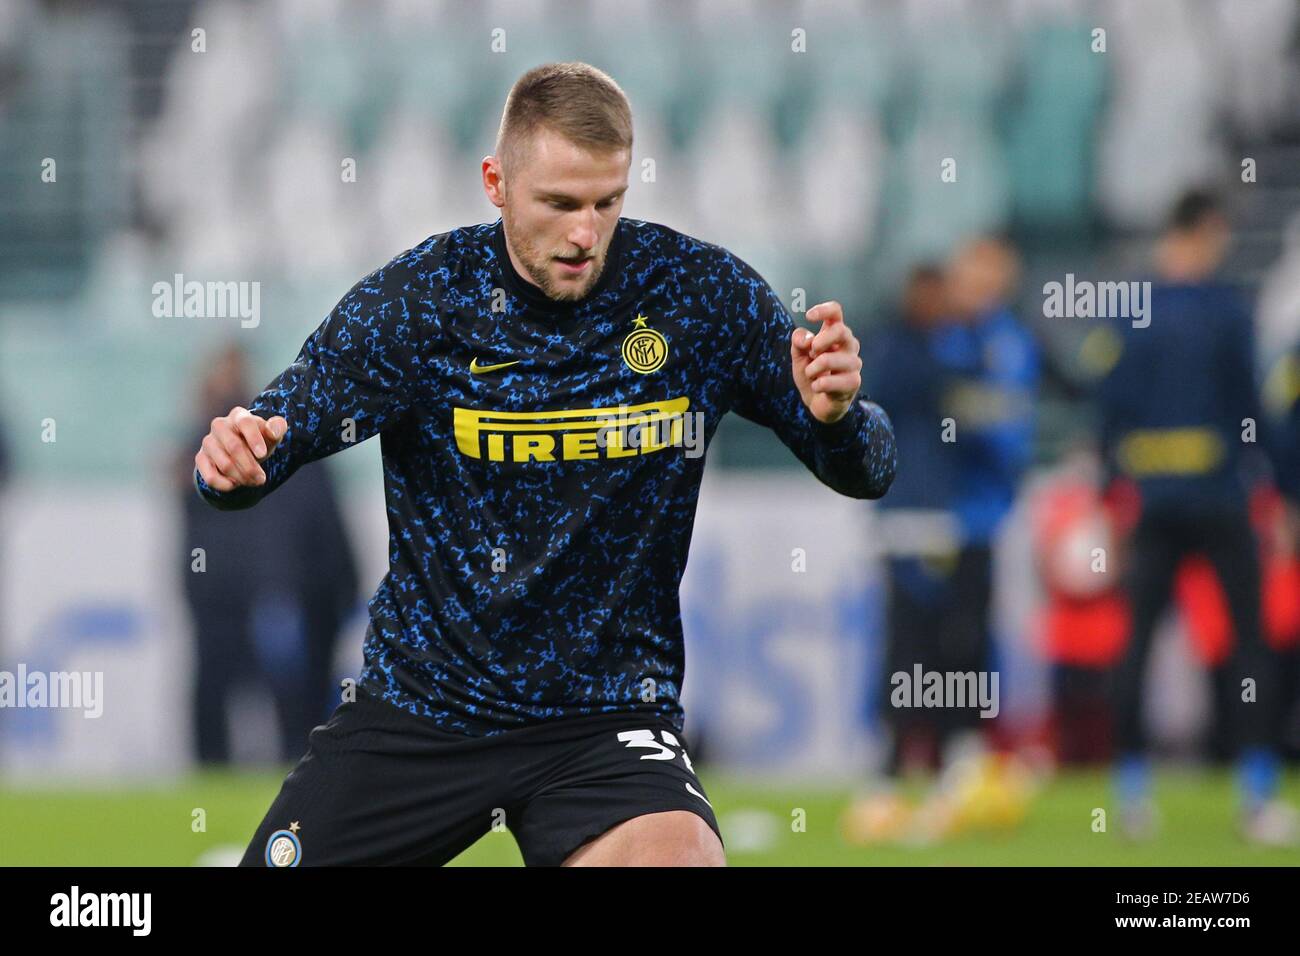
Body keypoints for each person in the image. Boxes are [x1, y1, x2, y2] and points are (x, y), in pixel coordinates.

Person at [191, 62, 897, 867]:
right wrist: (229, 467)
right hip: (425, 709)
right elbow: (265, 443)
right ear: (496, 182)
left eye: (608, 202)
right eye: (559, 204)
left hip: (605, 722)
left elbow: (867, 469)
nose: (585, 234)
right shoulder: (421, 304)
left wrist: (837, 418)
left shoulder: (698, 296)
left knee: (679, 858)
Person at [1096, 190, 1298, 846]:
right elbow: (1256, 414)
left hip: (1152, 502)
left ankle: (1131, 797)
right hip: (1217, 498)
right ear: (1204, 235)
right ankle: (1258, 796)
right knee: (1249, 644)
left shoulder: (1131, 314)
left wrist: (1109, 498)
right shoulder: (1226, 311)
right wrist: (1285, 496)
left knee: (1139, 644)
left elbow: (1109, 416)